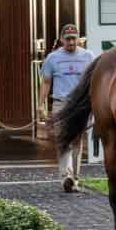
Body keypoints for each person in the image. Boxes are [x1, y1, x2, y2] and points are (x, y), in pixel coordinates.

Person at [39, 23, 96, 192]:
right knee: (63, 139)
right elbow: (46, 82)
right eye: (67, 39)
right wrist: (40, 104)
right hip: (60, 103)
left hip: (81, 104)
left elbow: (94, 81)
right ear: (61, 39)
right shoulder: (52, 58)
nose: (71, 42)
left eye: (73, 39)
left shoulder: (88, 56)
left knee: (77, 140)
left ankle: (75, 178)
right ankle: (66, 176)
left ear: (78, 39)